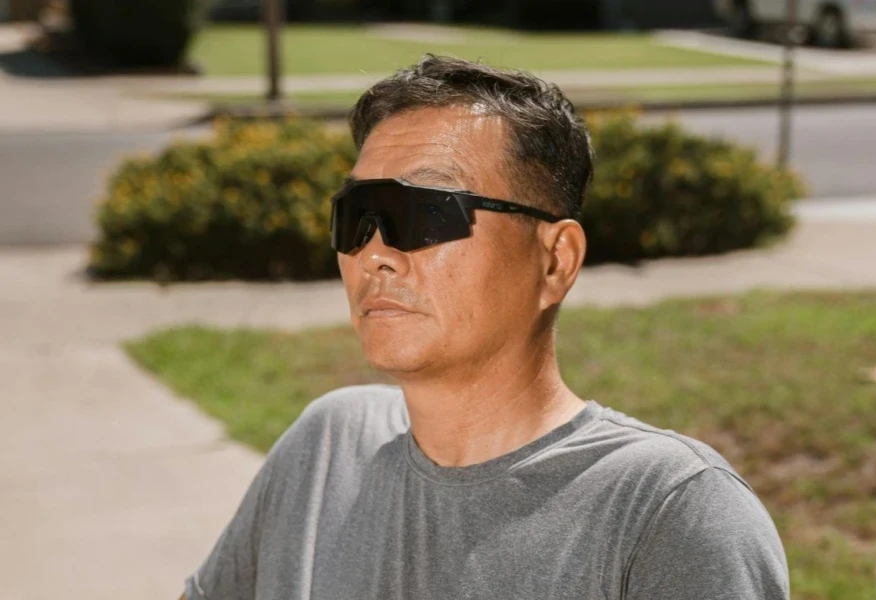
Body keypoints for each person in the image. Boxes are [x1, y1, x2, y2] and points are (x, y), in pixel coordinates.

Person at [181, 55, 789, 600]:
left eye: (422, 213)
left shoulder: (669, 514)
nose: (375, 255)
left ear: (555, 261)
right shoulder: (325, 448)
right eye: (357, 217)